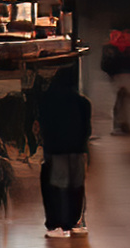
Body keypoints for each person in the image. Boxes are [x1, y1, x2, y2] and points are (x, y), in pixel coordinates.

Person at [37, 67, 91, 238]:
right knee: (76, 186)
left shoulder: (47, 100)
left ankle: (59, 224)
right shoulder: (82, 103)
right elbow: (86, 129)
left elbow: (44, 126)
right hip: (76, 150)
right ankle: (75, 221)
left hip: (56, 150)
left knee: (58, 186)